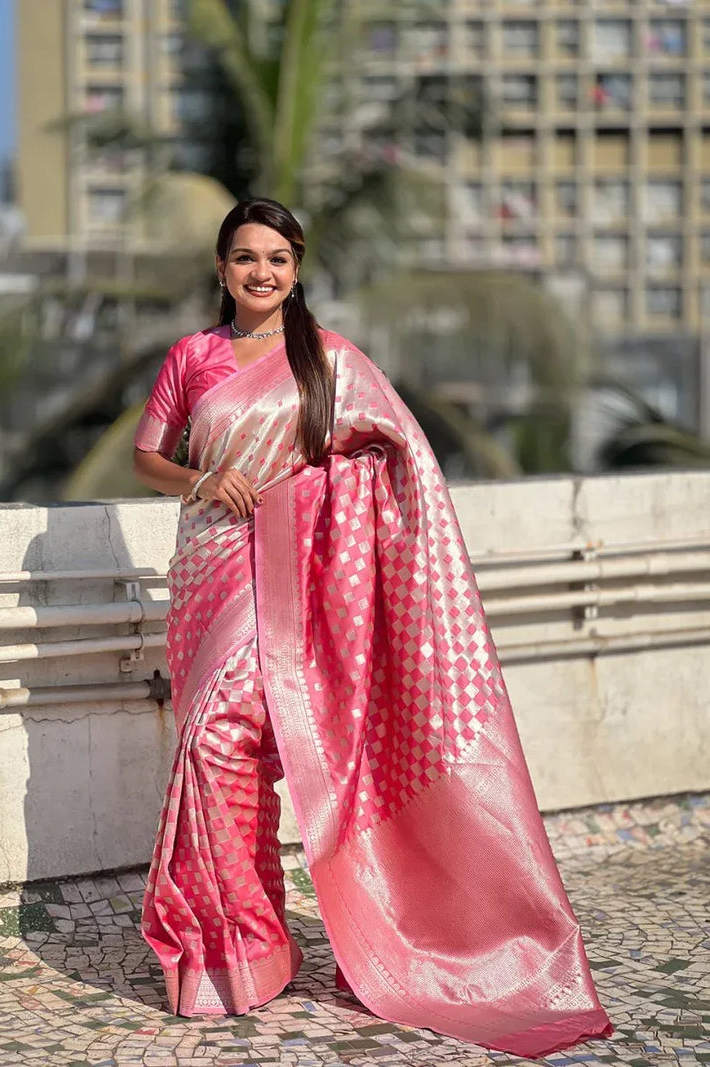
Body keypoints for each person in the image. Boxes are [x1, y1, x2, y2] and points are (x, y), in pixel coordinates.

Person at [132, 197, 613, 1057]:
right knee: (218, 756)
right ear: (221, 269)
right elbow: (148, 456)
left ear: (296, 270)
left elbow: (399, 455)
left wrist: (314, 498)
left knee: (219, 736)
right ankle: (243, 947)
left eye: (278, 258)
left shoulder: (330, 361)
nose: (261, 272)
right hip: (208, 562)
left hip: (297, 570)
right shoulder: (191, 356)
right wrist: (199, 481)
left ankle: (270, 935)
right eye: (246, 257)